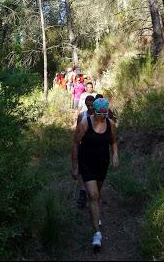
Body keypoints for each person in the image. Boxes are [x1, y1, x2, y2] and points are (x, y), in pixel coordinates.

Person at [71, 98, 119, 248]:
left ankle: (95, 215)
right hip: (87, 163)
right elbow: (75, 144)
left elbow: (113, 141)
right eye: (100, 113)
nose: (102, 116)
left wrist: (115, 155)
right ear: (94, 111)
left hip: (102, 163)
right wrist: (75, 166)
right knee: (93, 195)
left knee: (97, 194)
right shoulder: (85, 123)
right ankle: (97, 234)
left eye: (105, 114)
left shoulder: (110, 124)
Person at [75, 95, 95, 209]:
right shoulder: (82, 116)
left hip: (96, 148)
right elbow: (77, 132)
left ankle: (93, 193)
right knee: (82, 171)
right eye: (88, 105)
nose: (90, 107)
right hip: (84, 147)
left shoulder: (100, 117)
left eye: (92, 105)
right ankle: (83, 193)